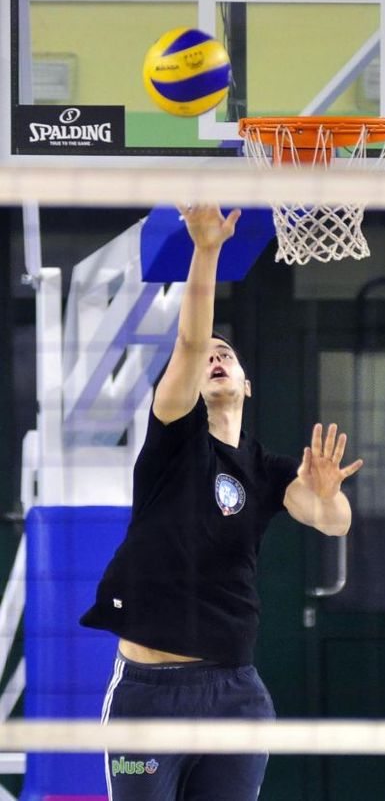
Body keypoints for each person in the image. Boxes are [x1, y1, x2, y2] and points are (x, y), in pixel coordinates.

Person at [80, 205, 363, 801]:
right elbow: (189, 341)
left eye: (227, 353)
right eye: (207, 355)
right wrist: (206, 250)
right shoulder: (174, 436)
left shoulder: (266, 469)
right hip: (149, 696)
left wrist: (328, 496)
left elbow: (331, 522)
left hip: (235, 694)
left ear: (247, 384)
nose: (214, 357)